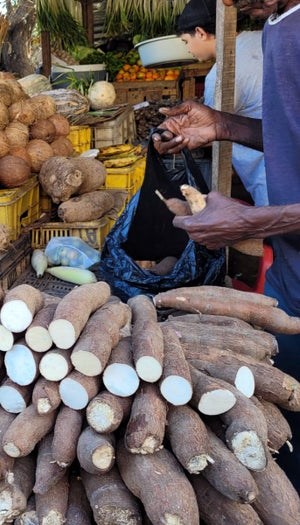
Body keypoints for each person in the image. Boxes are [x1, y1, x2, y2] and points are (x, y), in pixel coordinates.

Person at [153, 0, 300, 490]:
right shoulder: (277, 26)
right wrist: (221, 125)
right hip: (291, 278)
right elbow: (290, 135)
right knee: (282, 439)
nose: (229, 4)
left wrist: (250, 221)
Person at [176, 0, 268, 205]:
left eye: (185, 41)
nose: (188, 49)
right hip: (289, 153)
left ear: (200, 33)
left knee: (280, 222)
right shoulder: (262, 37)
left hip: (268, 174)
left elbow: (208, 133)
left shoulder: (220, 74)